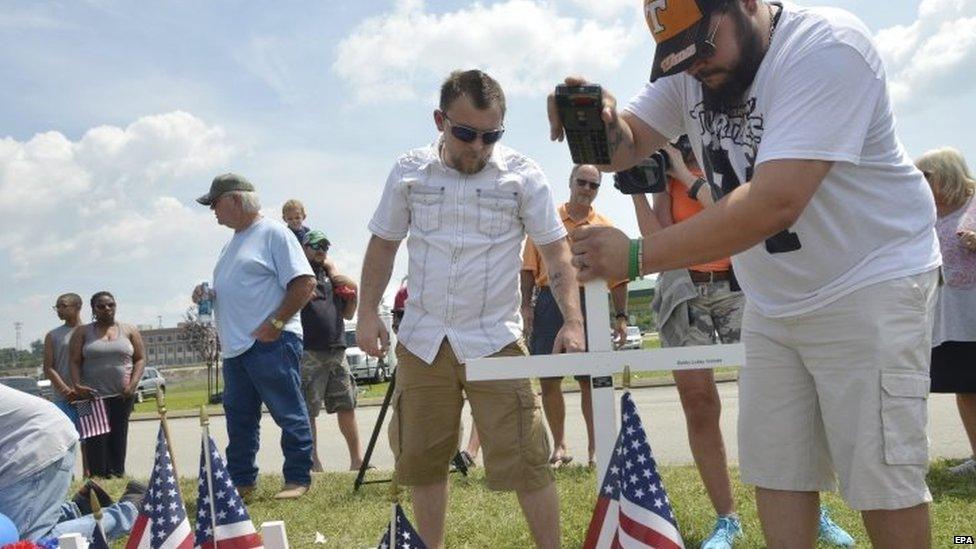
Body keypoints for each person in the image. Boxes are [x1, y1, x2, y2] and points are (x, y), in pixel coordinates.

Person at [551, 1, 941, 546]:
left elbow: (775, 203)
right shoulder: (694, 66)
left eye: (702, 49)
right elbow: (627, 147)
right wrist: (598, 122)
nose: (694, 68)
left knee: (882, 480)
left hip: (868, 281)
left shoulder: (825, 46)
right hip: (776, 298)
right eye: (676, 55)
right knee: (777, 471)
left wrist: (638, 257)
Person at [358, 69, 585, 549]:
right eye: (465, 133)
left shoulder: (523, 175)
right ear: (440, 121)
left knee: (529, 457)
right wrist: (367, 312)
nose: (477, 147)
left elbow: (556, 250)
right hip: (423, 342)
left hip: (495, 341)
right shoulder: (408, 172)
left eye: (490, 136)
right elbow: (382, 245)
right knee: (423, 460)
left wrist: (572, 319)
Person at [639, 141, 854, 547]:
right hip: (687, 289)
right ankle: (727, 519)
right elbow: (658, 242)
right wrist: (640, 185)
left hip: (745, 285)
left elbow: (739, 214)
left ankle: (812, 509)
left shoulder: (724, 153)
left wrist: (687, 176)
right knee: (699, 404)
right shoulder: (665, 170)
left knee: (783, 396)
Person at [193, 173, 317, 500]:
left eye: (215, 203)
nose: (213, 211)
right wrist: (209, 293)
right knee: (240, 420)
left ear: (235, 200)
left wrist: (275, 324)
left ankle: (297, 478)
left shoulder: (274, 233)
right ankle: (241, 483)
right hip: (236, 349)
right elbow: (240, 288)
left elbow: (304, 283)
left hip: (270, 342)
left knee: (288, 412)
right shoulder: (231, 243)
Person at [521, 164, 627, 468]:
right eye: (582, 182)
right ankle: (560, 446)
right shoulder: (547, 221)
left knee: (590, 379)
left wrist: (621, 315)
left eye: (594, 185)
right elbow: (528, 268)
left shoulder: (605, 226)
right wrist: (526, 307)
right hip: (549, 302)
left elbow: (619, 279)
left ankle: (596, 449)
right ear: (570, 182)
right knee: (550, 378)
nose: (587, 189)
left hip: (591, 299)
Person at [0, 384, 143, 543]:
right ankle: (81, 508)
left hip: (34, 444)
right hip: (38, 436)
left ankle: (132, 511)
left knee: (24, 543)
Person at [916, 147, 976, 477]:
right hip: (952, 319)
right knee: (966, 386)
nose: (920, 183)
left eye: (926, 176)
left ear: (946, 175)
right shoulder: (927, 214)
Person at [298, 229, 365, 472]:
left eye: (325, 246)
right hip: (309, 351)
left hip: (337, 349)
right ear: (304, 248)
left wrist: (353, 295)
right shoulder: (298, 274)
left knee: (346, 405)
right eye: (315, 245)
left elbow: (347, 314)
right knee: (308, 410)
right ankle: (314, 463)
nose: (321, 250)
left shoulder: (332, 275)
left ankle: (357, 461)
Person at [68, 291, 145, 478]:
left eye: (110, 305)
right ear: (93, 309)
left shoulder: (129, 330)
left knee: (119, 436)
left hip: (122, 395)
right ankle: (98, 479)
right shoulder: (82, 332)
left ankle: (118, 474)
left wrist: (133, 384)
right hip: (90, 398)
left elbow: (140, 359)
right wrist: (77, 386)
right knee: (95, 439)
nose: (107, 309)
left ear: (115, 306)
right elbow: (74, 361)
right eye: (101, 306)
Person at [43, 293, 83, 425]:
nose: (59, 310)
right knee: (65, 439)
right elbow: (48, 367)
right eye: (57, 307)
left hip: (86, 398)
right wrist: (66, 391)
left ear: (78, 306)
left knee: (88, 439)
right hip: (62, 398)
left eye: (63, 306)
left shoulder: (90, 331)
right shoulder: (52, 335)